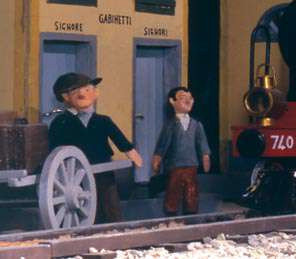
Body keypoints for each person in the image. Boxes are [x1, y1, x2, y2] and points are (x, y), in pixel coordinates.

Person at [47, 73, 143, 224]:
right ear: (65, 97)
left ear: (96, 93)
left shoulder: (103, 120)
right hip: (75, 175)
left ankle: (114, 229)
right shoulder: (61, 122)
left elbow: (119, 138)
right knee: (82, 205)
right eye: (75, 91)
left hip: (103, 167)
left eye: (87, 89)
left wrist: (131, 153)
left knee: (108, 201)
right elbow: (55, 148)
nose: (82, 94)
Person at [152, 87, 211, 216]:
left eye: (190, 98)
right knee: (173, 190)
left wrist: (205, 156)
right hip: (175, 165)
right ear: (172, 102)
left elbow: (202, 143)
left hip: (191, 164)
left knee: (192, 191)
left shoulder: (196, 125)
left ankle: (191, 213)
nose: (188, 101)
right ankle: (171, 214)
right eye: (183, 98)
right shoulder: (170, 125)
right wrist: (157, 158)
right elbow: (163, 143)